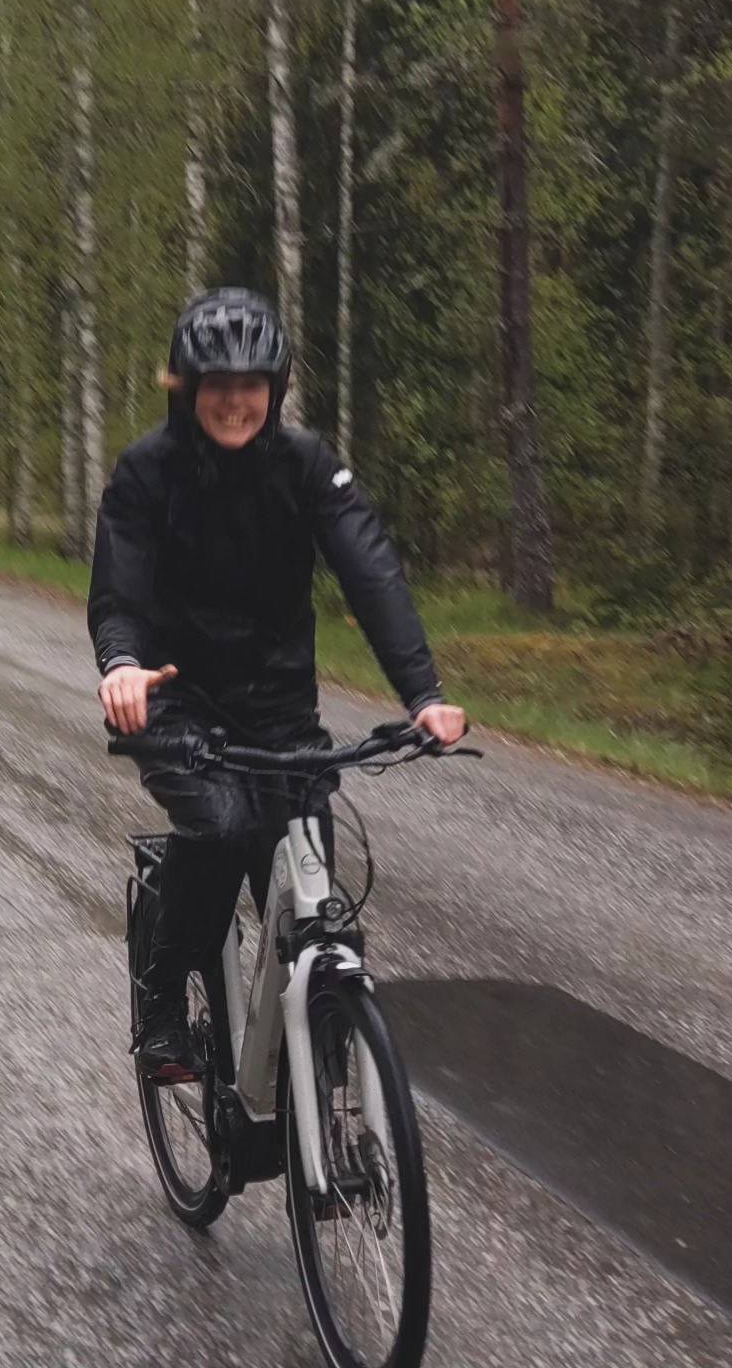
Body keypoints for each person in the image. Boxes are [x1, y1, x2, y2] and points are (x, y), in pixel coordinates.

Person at [88, 287, 466, 1081]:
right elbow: (119, 591)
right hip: (177, 702)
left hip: (282, 712)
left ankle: (315, 1067)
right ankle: (160, 1003)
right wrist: (122, 665)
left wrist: (423, 694)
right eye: (216, 385)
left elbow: (372, 574)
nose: (233, 400)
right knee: (222, 828)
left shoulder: (307, 467)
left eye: (250, 384)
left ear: (275, 386)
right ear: (187, 390)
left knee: (311, 897)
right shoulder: (147, 472)